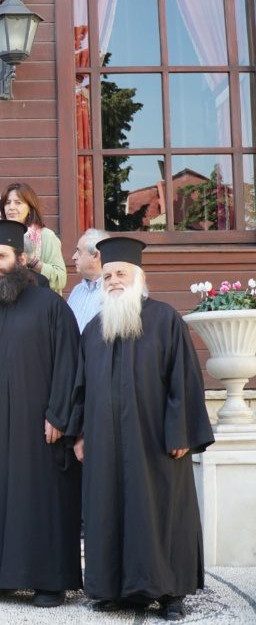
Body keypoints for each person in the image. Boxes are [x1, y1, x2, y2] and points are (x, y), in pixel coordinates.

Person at [67, 237, 213, 621]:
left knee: (160, 513)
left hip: (156, 442)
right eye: (108, 275)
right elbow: (80, 387)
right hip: (104, 443)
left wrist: (181, 432)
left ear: (138, 278)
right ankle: (115, 589)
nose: (114, 280)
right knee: (108, 511)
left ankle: (169, 593)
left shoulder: (165, 320)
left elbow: (183, 380)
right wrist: (80, 434)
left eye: (121, 274)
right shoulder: (93, 330)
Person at [0, 221, 82, 607]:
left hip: (38, 428)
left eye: (1, 256)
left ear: (21, 259)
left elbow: (70, 363)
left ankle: (48, 582)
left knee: (39, 500)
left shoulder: (51, 306)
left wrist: (59, 414)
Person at [1, 182, 67, 293]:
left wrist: (33, 262)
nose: (11, 207)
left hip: (39, 299)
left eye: (18, 203)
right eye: (7, 203)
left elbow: (60, 279)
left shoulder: (46, 236)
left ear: (30, 208)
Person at [67, 228, 108, 332]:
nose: (73, 257)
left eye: (79, 251)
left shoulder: (112, 292)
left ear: (96, 256)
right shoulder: (76, 291)